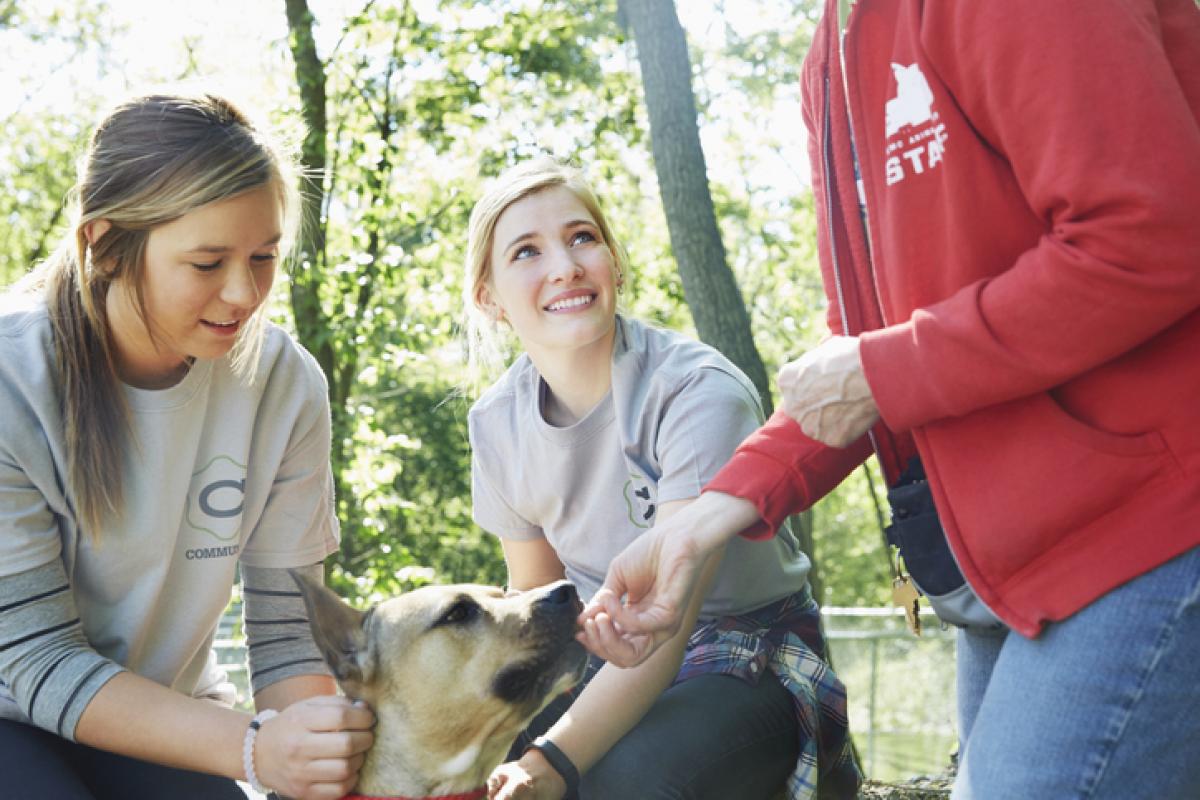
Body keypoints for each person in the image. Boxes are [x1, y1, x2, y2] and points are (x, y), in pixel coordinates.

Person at [583, 1, 1200, 797]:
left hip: (1150, 527)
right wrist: (705, 520)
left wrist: (886, 369)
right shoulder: (829, 57)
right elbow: (862, 354)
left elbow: (1151, 234)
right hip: (1005, 568)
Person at [0, 94, 374, 800]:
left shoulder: (283, 385)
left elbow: (289, 630)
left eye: (264, 257)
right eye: (207, 263)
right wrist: (259, 751)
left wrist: (314, 772)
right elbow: (36, 660)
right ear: (104, 244)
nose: (243, 293)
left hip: (159, 716)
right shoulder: (11, 381)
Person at [462, 158, 859, 800]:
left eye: (582, 237)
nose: (564, 265)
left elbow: (665, 627)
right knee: (469, 753)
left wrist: (547, 765)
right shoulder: (496, 424)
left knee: (626, 779)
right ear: (490, 298)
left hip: (746, 661)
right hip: (602, 660)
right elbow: (537, 606)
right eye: (527, 251)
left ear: (613, 261)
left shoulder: (697, 392)